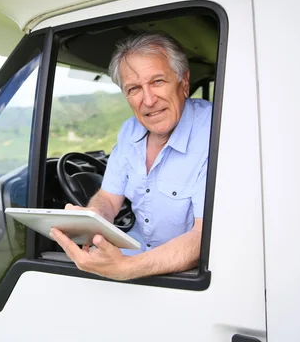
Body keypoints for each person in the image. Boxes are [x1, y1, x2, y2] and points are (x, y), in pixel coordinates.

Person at [50, 32, 212, 281]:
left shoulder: (214, 130)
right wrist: (91, 218)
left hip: (180, 275)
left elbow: (204, 237)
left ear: (184, 82)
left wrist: (127, 269)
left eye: (157, 81)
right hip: (132, 254)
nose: (148, 100)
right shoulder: (129, 130)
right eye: (134, 88)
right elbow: (108, 198)